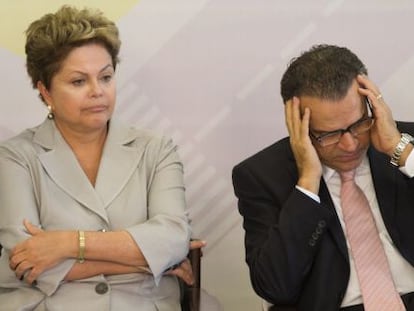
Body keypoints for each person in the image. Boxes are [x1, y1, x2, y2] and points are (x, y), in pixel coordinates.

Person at [0, 5, 199, 310]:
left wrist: (67, 243)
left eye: (105, 77)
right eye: (79, 82)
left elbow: (172, 239)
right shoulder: (16, 157)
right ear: (46, 91)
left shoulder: (156, 149)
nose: (98, 91)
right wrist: (148, 261)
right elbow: (27, 263)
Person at [232, 44, 414, 311]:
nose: (350, 144)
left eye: (358, 124)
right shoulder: (262, 176)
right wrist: (307, 183)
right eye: (329, 135)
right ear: (297, 123)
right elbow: (275, 287)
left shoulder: (405, 144)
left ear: (372, 106)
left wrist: (400, 151)